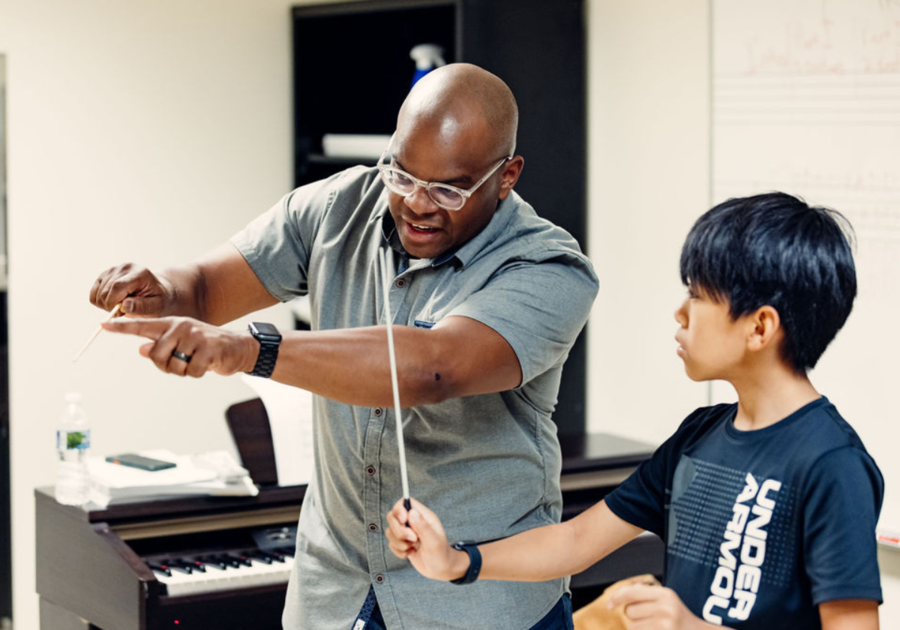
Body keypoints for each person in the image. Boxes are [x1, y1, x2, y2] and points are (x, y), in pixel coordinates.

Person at [90, 63, 598, 630]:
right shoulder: (339, 207)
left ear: (507, 176)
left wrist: (248, 350)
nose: (418, 204)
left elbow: (433, 369)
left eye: (448, 189)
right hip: (336, 592)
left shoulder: (549, 268)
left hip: (481, 606)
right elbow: (206, 287)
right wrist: (162, 291)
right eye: (403, 175)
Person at [386, 192, 883, 630]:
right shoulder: (700, 435)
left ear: (759, 328)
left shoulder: (832, 464)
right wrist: (457, 562)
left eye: (698, 294)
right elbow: (578, 540)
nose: (680, 312)